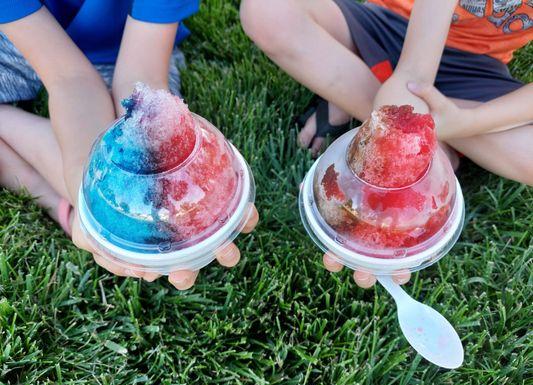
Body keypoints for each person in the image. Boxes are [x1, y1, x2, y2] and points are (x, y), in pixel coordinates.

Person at [240, 0, 532, 288]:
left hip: (478, 68)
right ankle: (424, 133)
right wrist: (375, 193)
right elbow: (413, 75)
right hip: (391, 27)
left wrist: (469, 121)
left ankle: (352, 93)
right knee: (268, 10)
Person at [0, 1, 259, 290]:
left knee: (148, 150)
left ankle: (59, 203)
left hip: (130, 48)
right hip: (19, 42)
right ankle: (61, 202)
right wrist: (86, 192)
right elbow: (67, 77)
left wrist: (105, 193)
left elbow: (142, 77)